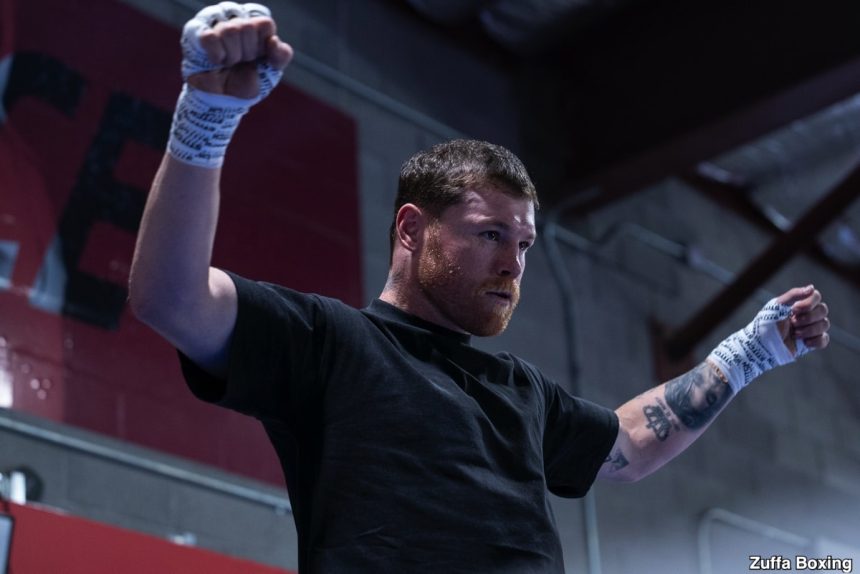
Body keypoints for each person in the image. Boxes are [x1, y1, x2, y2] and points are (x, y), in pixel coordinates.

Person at [128, 3, 832, 573]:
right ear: (412, 229)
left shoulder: (519, 390)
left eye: (523, 244)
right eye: (491, 234)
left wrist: (749, 354)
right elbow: (170, 297)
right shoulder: (331, 344)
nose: (514, 264)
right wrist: (206, 117)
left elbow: (631, 442)